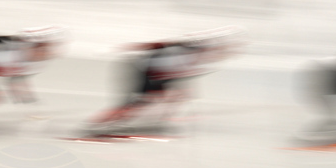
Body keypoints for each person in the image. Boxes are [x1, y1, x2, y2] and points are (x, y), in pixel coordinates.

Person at [85, 25, 244, 137]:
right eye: (232, 48)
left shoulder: (212, 58)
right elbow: (167, 44)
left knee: (176, 96)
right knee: (135, 104)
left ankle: (159, 122)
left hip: (161, 72)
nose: (232, 52)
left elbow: (185, 71)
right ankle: (95, 125)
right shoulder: (206, 45)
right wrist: (129, 47)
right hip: (146, 68)